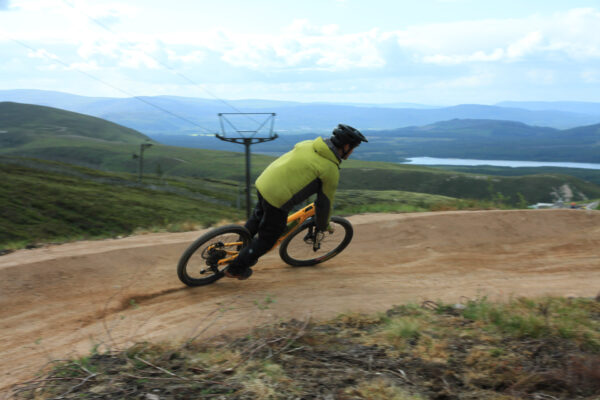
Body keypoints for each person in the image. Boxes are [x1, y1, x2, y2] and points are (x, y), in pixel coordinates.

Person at [224, 123, 368, 280]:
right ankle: (236, 268)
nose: (352, 152)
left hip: (264, 183)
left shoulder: (308, 144)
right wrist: (323, 225)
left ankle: (241, 246)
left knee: (257, 218)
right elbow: (324, 203)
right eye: (353, 148)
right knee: (268, 238)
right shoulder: (330, 170)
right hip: (277, 198)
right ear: (346, 146)